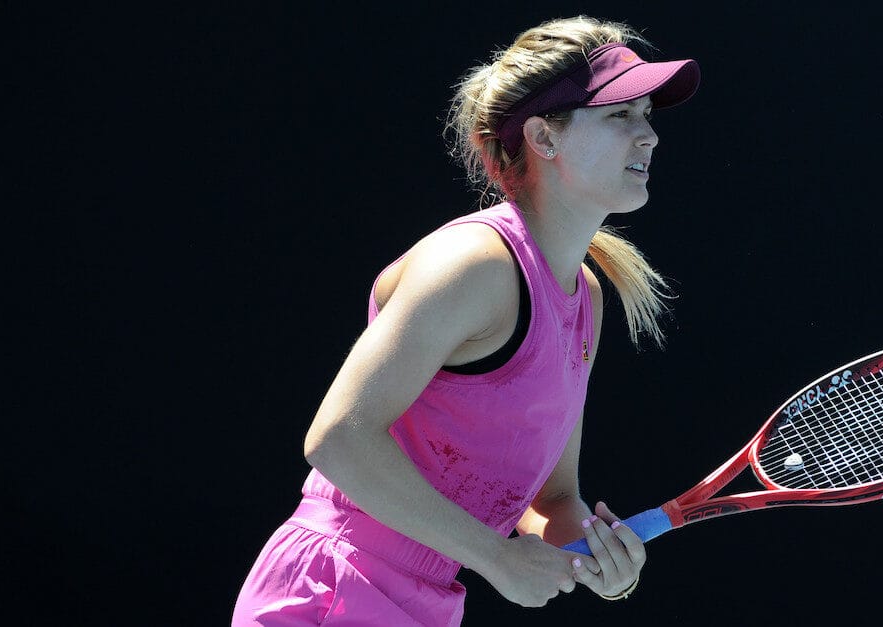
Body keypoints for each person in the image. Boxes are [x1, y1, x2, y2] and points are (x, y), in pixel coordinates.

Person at [231, 15, 701, 626]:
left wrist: (603, 565)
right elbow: (338, 439)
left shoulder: (586, 297)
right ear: (544, 136)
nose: (650, 136)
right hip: (332, 585)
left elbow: (553, 499)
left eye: (647, 115)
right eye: (620, 115)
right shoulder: (475, 265)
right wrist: (496, 558)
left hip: (429, 601)